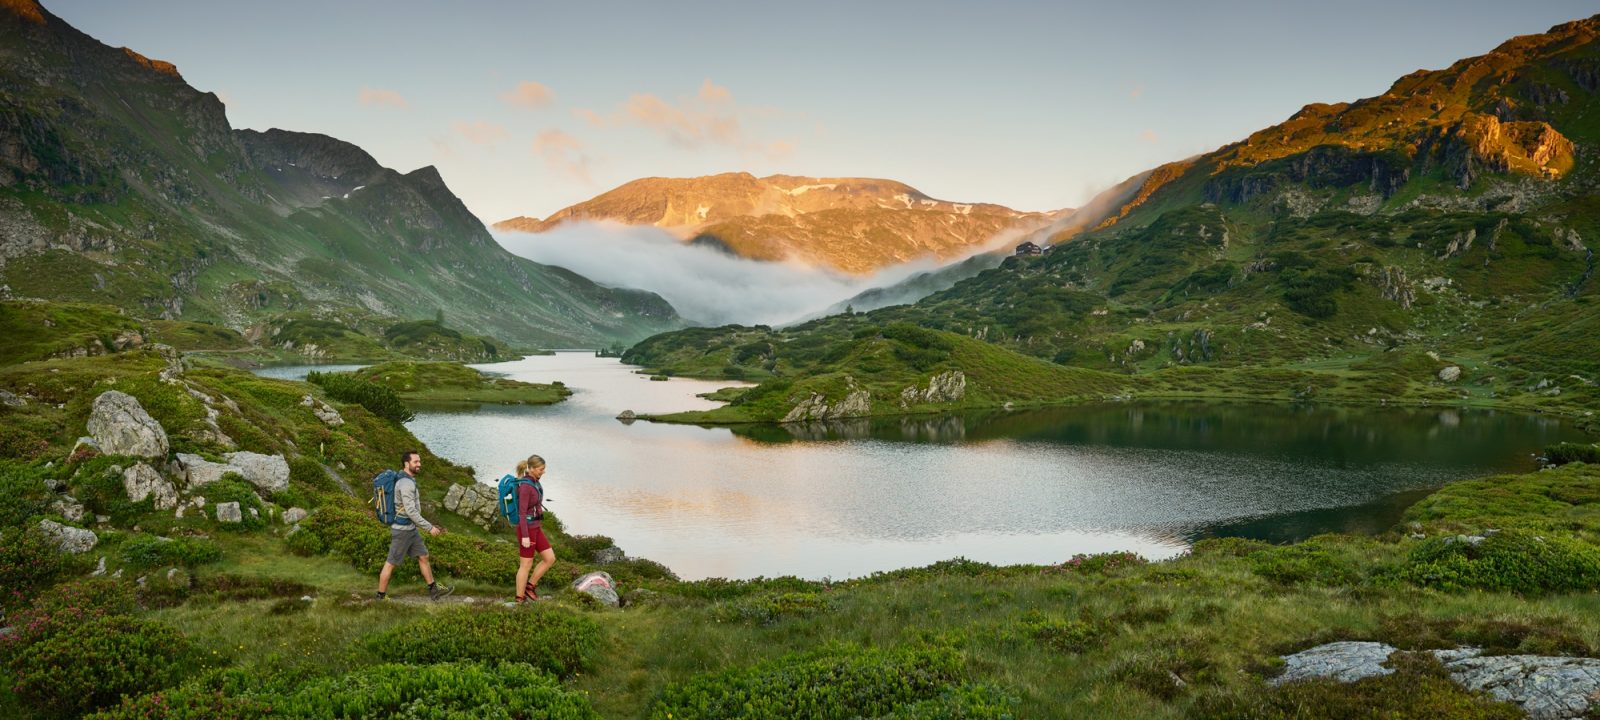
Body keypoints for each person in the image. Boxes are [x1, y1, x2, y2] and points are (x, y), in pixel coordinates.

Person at [376, 450, 453, 601]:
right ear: (407, 463)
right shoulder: (405, 484)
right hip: (402, 531)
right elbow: (410, 511)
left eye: (419, 461)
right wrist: (429, 527)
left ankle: (434, 591)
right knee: (391, 563)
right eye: (415, 462)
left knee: (423, 556)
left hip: (411, 530)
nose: (419, 464)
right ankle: (380, 597)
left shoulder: (407, 479)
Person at [512, 454, 555, 603]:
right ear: (531, 469)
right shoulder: (525, 487)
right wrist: (524, 536)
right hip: (527, 530)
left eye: (543, 469)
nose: (543, 472)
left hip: (536, 528)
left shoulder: (535, 482)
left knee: (549, 558)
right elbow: (522, 513)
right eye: (541, 469)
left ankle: (529, 587)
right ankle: (519, 598)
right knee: (526, 564)